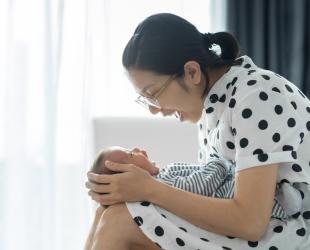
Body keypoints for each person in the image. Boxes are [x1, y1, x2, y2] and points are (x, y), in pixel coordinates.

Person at [85, 13, 310, 250]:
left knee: (120, 222)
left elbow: (250, 221)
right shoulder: (213, 106)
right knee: (107, 213)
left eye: (153, 94)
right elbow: (214, 197)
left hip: (292, 229)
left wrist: (149, 189)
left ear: (192, 72)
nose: (153, 110)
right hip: (263, 229)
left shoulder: (255, 96)